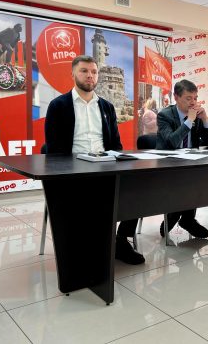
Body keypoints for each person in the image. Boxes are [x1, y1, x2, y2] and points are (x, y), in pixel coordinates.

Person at [44, 55, 144, 265]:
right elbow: (53, 150)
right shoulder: (58, 105)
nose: (90, 75)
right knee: (89, 200)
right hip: (73, 170)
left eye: (94, 71)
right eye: (84, 71)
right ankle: (86, 245)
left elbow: (115, 144)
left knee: (136, 191)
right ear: (73, 74)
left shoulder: (106, 107)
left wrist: (116, 161)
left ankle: (120, 241)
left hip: (104, 166)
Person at [156, 79, 208, 238]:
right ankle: (180, 217)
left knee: (202, 177)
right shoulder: (164, 115)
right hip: (168, 164)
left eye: (195, 98)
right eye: (188, 98)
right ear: (176, 97)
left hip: (190, 163)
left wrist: (205, 120)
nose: (193, 102)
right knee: (187, 179)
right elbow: (172, 142)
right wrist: (189, 121)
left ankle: (184, 218)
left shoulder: (197, 116)